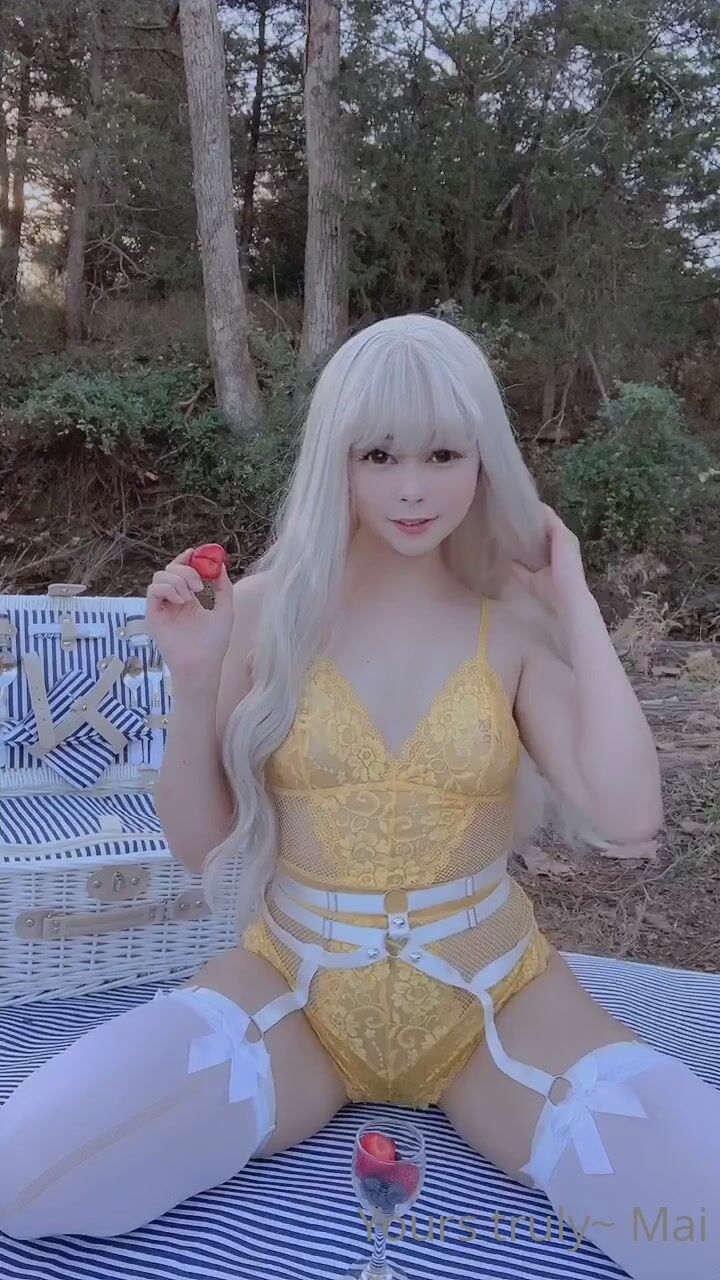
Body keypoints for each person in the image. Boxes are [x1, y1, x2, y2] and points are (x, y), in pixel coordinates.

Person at [1, 314, 718, 1279]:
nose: (412, 487)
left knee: (705, 1226)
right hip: (294, 992)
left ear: (484, 458)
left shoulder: (510, 624)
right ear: (334, 457)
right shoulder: (263, 612)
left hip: (496, 1001)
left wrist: (575, 601)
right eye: (378, 454)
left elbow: (631, 818)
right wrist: (196, 682)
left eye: (442, 453)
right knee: (25, 1174)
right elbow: (202, 846)